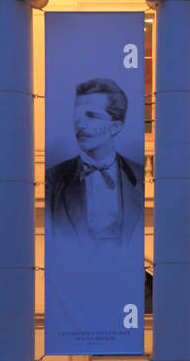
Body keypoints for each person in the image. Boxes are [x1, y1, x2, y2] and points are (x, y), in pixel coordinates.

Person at [45, 78, 145, 246]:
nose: (80, 125)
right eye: (77, 116)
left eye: (91, 115)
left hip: (125, 267)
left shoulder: (138, 176)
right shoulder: (53, 179)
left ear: (116, 127)